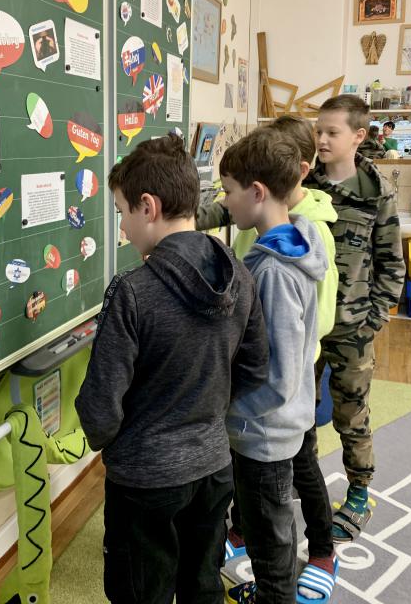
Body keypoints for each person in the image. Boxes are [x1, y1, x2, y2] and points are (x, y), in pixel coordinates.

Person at [75, 134, 269, 604]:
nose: (123, 228)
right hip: (214, 467)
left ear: (148, 207)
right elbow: (255, 368)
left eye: (122, 212)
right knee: (202, 585)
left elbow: (99, 410)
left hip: (145, 481)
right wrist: (207, 411)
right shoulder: (240, 276)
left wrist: (125, 441)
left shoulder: (132, 291)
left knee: (141, 592)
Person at [198, 115, 340, 603]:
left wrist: (229, 409)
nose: (225, 202)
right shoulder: (290, 243)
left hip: (264, 432)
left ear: (257, 192)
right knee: (272, 529)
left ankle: (275, 594)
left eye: (229, 192)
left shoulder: (274, 273)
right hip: (273, 426)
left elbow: (277, 376)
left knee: (269, 543)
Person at [308, 95, 405, 542]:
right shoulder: (305, 180)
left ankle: (360, 493)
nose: (322, 139)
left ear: (358, 136)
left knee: (351, 414)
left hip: (353, 328)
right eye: (318, 130)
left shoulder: (376, 191)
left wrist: (373, 320)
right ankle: (303, 477)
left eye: (332, 132)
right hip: (307, 324)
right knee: (299, 410)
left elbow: (392, 265)